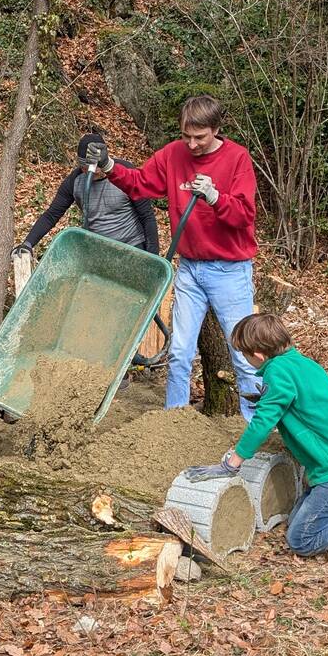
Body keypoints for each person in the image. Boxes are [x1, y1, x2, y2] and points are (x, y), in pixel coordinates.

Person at [86, 95, 261, 418]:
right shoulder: (173, 155)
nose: (192, 144)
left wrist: (214, 196)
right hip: (190, 269)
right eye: (186, 136)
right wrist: (110, 167)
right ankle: (174, 422)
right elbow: (140, 184)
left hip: (230, 271)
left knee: (243, 354)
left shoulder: (237, 159)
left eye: (200, 137)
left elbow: (244, 216)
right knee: (180, 352)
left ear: (216, 130)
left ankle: (254, 428)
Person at [186, 313, 328, 554]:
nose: (243, 358)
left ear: (259, 355)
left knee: (302, 539)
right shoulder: (303, 363)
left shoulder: (277, 372)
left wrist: (233, 462)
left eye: (244, 353)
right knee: (295, 519)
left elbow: (262, 423)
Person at [12, 132, 159, 258]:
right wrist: (28, 243)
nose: (93, 172)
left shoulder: (126, 172)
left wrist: (153, 258)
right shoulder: (75, 181)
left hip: (132, 246)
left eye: (96, 167)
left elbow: (147, 216)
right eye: (85, 168)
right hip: (98, 250)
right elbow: (52, 214)